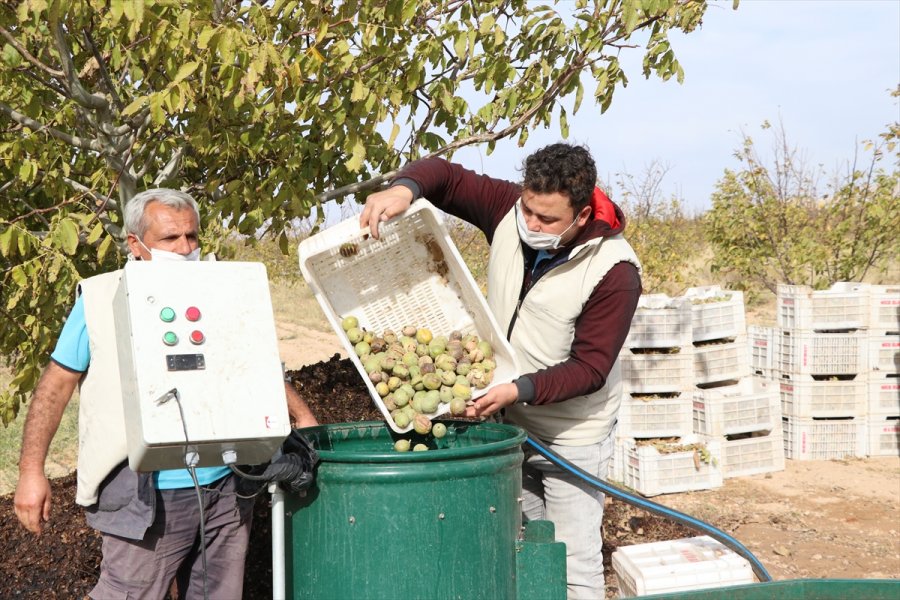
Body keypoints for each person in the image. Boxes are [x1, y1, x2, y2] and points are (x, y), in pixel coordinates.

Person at [361, 143, 642, 599]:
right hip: (511, 423)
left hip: (572, 435)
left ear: (583, 214)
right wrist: (405, 188)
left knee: (573, 565)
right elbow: (445, 176)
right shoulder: (509, 212)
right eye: (528, 209)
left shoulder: (613, 271)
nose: (531, 224)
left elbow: (590, 368)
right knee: (520, 548)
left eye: (547, 219)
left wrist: (519, 389)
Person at [13, 188, 318, 599]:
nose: (185, 248)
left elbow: (250, 361)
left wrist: (302, 416)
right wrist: (32, 472)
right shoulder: (101, 298)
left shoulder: (217, 290)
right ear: (136, 244)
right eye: (170, 239)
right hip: (146, 494)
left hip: (227, 487)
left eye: (191, 237)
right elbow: (56, 384)